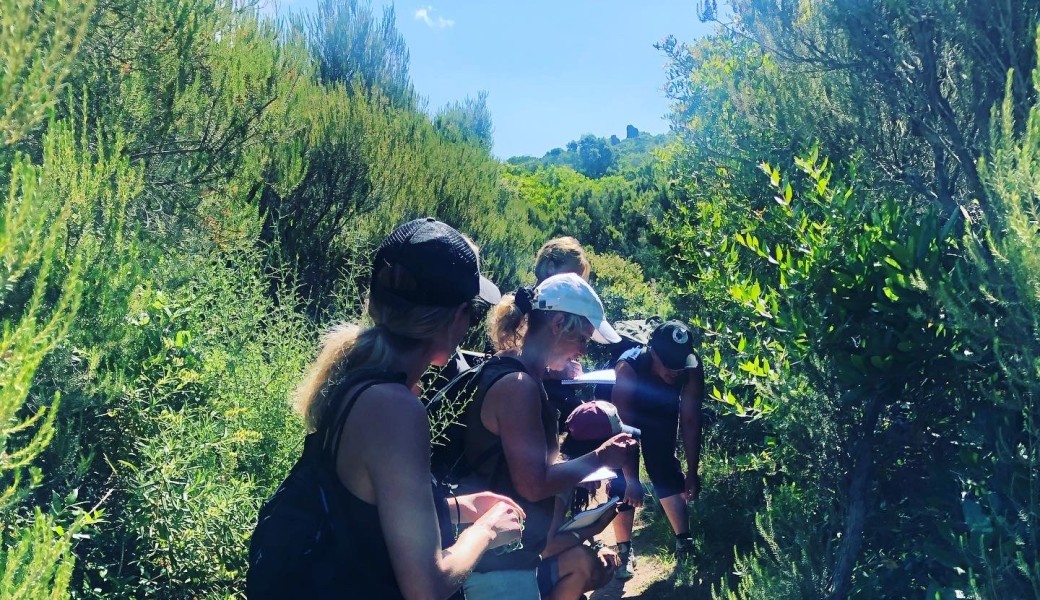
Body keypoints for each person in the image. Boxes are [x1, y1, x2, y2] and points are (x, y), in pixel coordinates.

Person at [282, 218, 526, 599]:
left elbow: (362, 511)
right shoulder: (395, 408)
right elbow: (426, 588)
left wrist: (461, 507)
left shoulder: (359, 384)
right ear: (458, 317)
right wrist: (488, 529)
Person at [460, 273, 638, 599]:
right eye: (582, 338)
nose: (583, 351)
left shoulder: (513, 372)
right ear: (557, 323)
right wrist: (601, 457)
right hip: (498, 573)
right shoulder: (518, 386)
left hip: (502, 563)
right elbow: (532, 484)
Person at [609, 320, 705, 579]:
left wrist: (692, 471)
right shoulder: (628, 368)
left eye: (680, 364)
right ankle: (624, 551)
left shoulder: (691, 367)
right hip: (626, 415)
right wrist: (632, 479)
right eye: (669, 364)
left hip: (661, 413)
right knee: (620, 481)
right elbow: (623, 431)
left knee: (664, 469)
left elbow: (690, 419)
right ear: (652, 352)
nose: (676, 371)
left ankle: (684, 542)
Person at [534, 401, 642, 599]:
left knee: (598, 566)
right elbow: (546, 548)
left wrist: (597, 547)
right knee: (583, 562)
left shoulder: (577, 475)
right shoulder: (559, 485)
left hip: (535, 567)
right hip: (521, 572)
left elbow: (567, 529)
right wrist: (594, 529)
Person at [533, 236, 593, 429]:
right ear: (550, 267)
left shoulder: (565, 311)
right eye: (572, 277)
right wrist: (554, 372)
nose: (575, 287)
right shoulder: (524, 304)